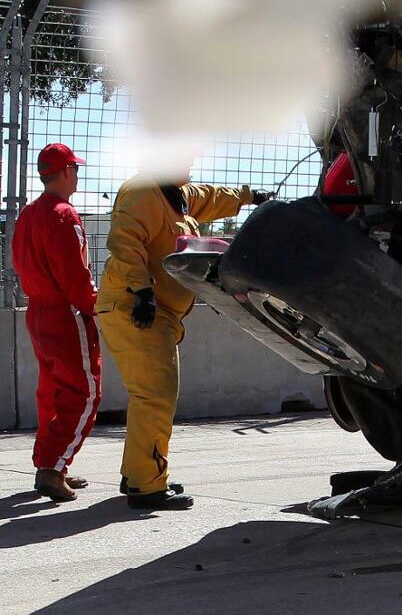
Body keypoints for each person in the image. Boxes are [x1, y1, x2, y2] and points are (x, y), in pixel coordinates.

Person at [95, 170, 272, 510]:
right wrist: (142, 289)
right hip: (137, 305)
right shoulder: (143, 189)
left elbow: (211, 196)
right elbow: (125, 240)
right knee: (155, 394)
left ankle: (139, 473)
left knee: (151, 395)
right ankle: (146, 486)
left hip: (155, 310)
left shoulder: (176, 194)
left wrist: (253, 196)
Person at [11, 143, 101, 502]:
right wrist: (94, 307)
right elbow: (75, 274)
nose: (77, 175)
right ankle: (51, 468)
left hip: (38, 311)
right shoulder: (64, 214)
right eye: (75, 169)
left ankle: (51, 463)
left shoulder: (28, 214)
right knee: (85, 393)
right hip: (66, 313)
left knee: (52, 391)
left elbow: (20, 262)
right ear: (65, 172)